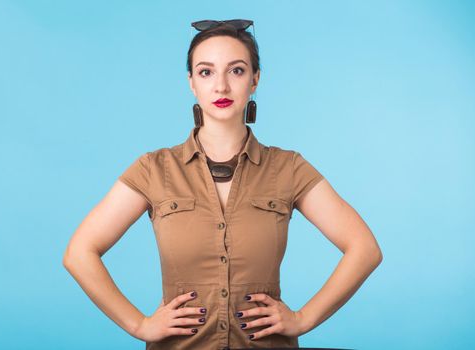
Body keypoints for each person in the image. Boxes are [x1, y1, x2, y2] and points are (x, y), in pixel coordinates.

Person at [63, 19, 383, 350]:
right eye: (206, 72)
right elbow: (79, 252)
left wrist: (303, 319)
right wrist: (138, 324)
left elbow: (364, 249)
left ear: (255, 79)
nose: (221, 87)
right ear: (191, 82)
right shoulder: (153, 169)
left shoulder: (288, 168)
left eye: (237, 71)